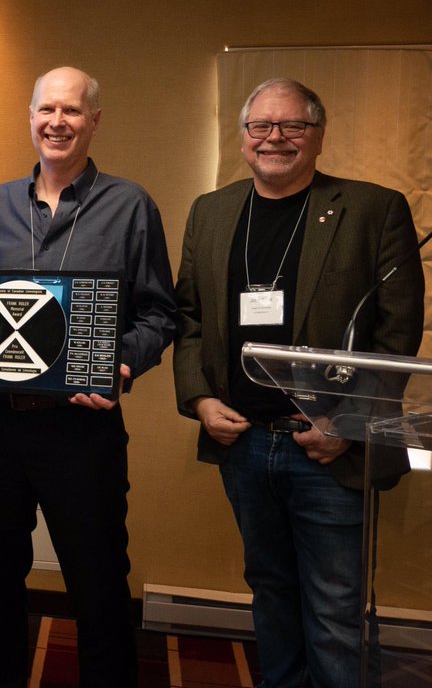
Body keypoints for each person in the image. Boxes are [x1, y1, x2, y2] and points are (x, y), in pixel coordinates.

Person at [173, 77, 424, 687]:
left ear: (318, 135)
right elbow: (190, 318)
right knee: (270, 591)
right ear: (244, 136)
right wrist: (202, 398)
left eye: (293, 126)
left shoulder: (373, 208)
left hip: (328, 448)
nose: (275, 138)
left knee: (336, 609)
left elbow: (398, 334)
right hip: (245, 441)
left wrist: (346, 424)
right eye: (261, 126)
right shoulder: (212, 211)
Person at [0, 66, 177, 687]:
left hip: (82, 432)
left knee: (99, 586)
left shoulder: (130, 206)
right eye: (46, 110)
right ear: (30, 117)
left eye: (72, 111)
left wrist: (119, 364)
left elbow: (161, 312)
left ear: (94, 122)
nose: (57, 122)